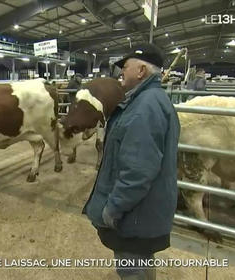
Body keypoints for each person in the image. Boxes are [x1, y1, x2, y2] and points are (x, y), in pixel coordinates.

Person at [83, 43, 180, 280]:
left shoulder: (144, 108)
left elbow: (138, 171)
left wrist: (113, 208)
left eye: (125, 67)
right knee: (142, 263)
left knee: (131, 268)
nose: (121, 73)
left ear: (141, 71)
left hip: (135, 215)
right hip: (145, 211)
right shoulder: (150, 100)